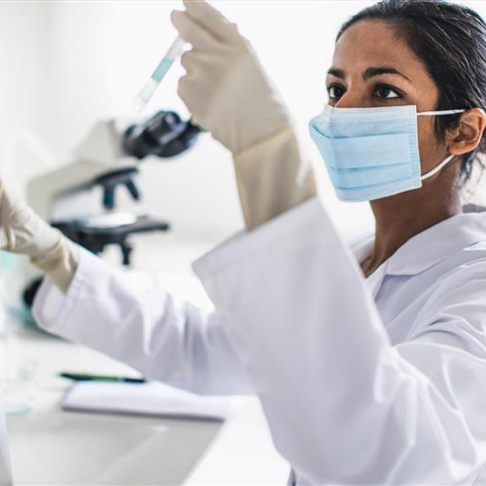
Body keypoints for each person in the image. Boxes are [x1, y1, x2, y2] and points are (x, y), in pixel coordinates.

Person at [1, 0, 486, 483]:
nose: (344, 112)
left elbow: (384, 454)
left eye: (383, 91)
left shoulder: (474, 286)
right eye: (336, 88)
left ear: (462, 130)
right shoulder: (358, 257)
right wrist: (50, 251)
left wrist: (265, 152)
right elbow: (203, 349)